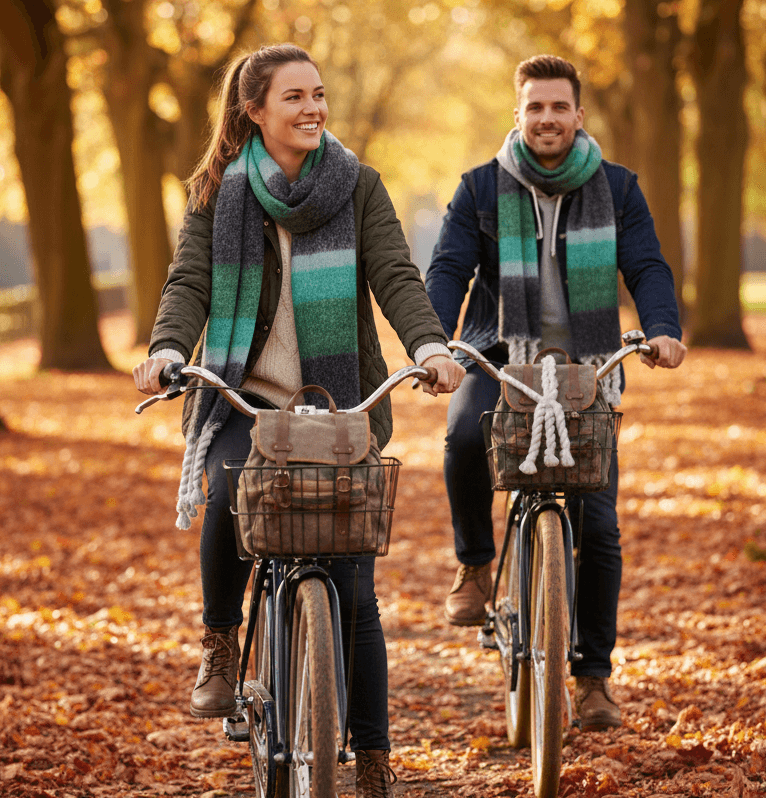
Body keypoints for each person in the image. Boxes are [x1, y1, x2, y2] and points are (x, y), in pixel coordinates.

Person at [132, 43, 465, 798]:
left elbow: (395, 275)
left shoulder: (357, 186)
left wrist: (428, 346)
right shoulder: (220, 191)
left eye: (318, 94)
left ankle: (373, 761)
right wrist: (166, 348)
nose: (314, 107)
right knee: (226, 487)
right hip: (243, 399)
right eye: (294, 97)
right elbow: (190, 280)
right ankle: (220, 641)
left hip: (338, 402)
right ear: (254, 109)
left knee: (353, 591)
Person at [425, 54, 686, 731]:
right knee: (460, 435)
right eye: (534, 107)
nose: (546, 118)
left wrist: (660, 330)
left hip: (589, 365)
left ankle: (593, 677)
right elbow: (448, 268)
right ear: (517, 115)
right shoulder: (479, 188)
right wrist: (433, 344)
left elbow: (648, 265)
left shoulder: (617, 187)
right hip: (498, 360)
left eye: (557, 107)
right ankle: (476, 566)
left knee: (597, 528)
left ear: (578, 115)